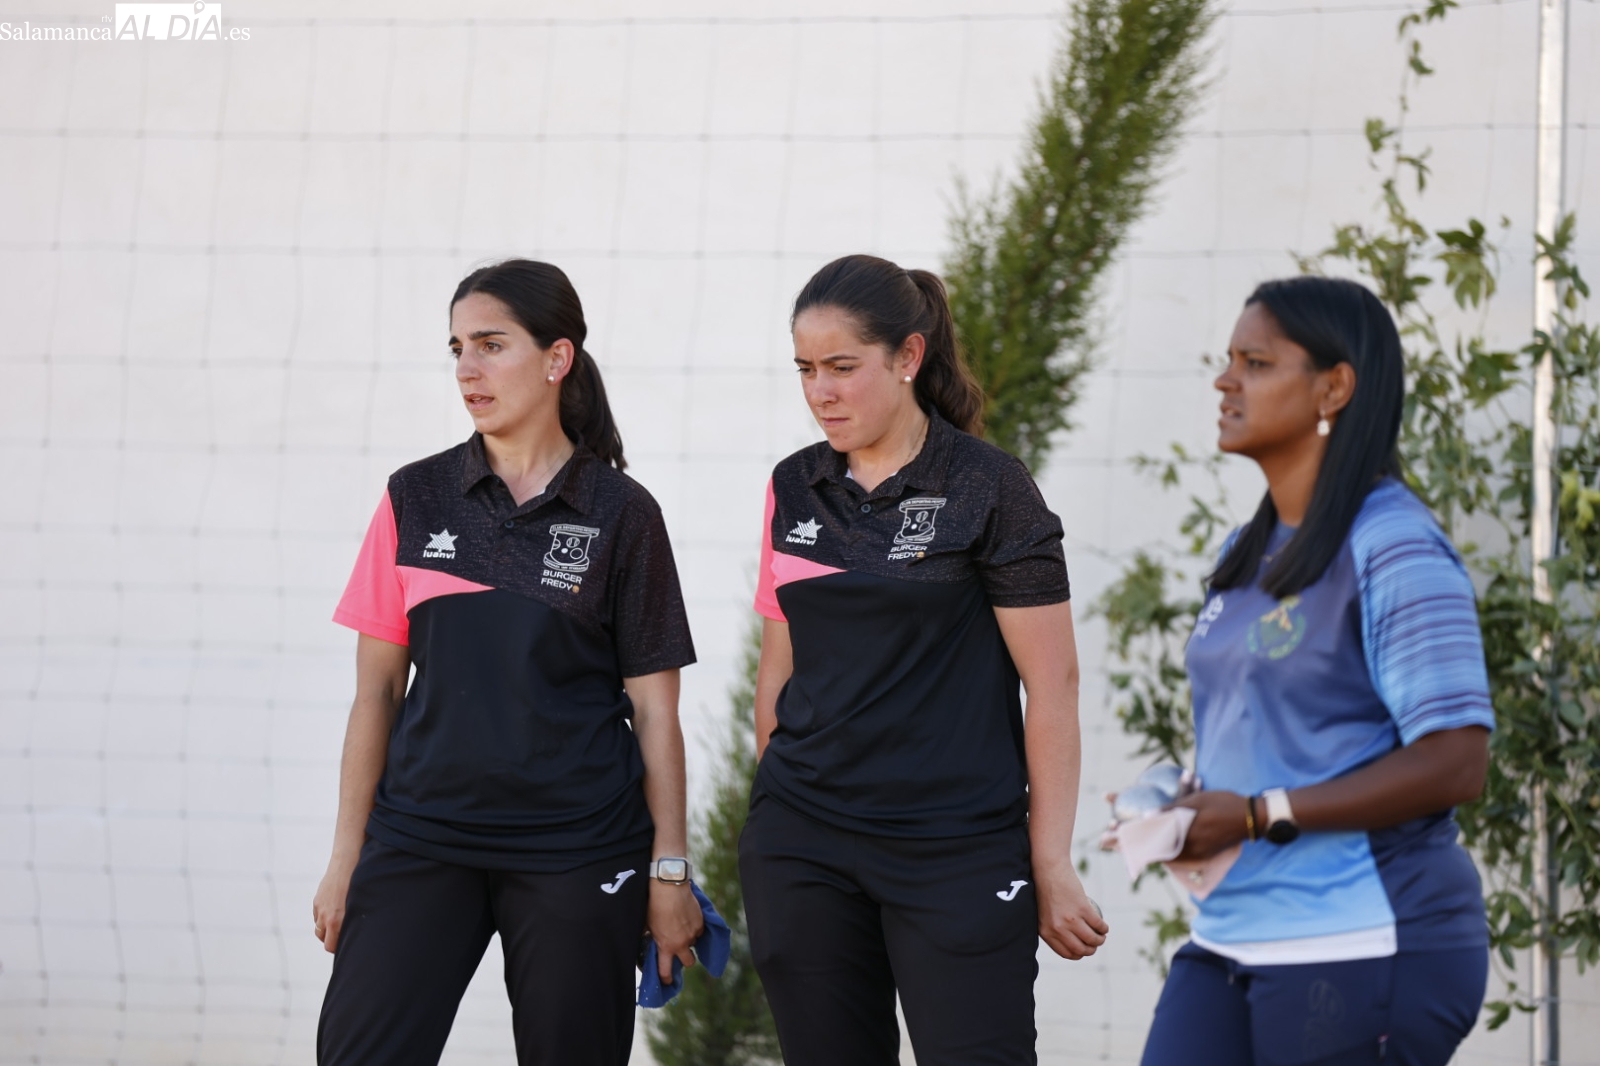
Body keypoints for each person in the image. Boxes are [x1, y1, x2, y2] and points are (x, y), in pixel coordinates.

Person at [312, 259, 703, 1066]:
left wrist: (668, 873)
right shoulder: (415, 496)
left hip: (579, 846)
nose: (468, 369)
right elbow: (376, 693)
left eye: (491, 345)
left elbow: (656, 713)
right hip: (421, 836)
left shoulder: (624, 515)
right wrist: (347, 855)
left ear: (557, 358)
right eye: (457, 348)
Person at [739, 254, 1109, 1066]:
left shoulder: (990, 487)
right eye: (805, 370)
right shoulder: (791, 486)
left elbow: (1053, 686)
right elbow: (779, 672)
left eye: (842, 367)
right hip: (803, 849)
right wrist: (778, 809)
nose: (820, 392)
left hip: (956, 850)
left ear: (908, 356)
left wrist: (1050, 860)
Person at [1141, 276, 1495, 1066]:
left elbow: (1457, 761)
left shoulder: (1394, 544)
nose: (1225, 381)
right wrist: (1187, 808)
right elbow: (1273, 733)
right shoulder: (1248, 549)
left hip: (1364, 936)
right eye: (1229, 360)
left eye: (1256, 363)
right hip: (1231, 933)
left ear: (1334, 387)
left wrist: (1258, 812)